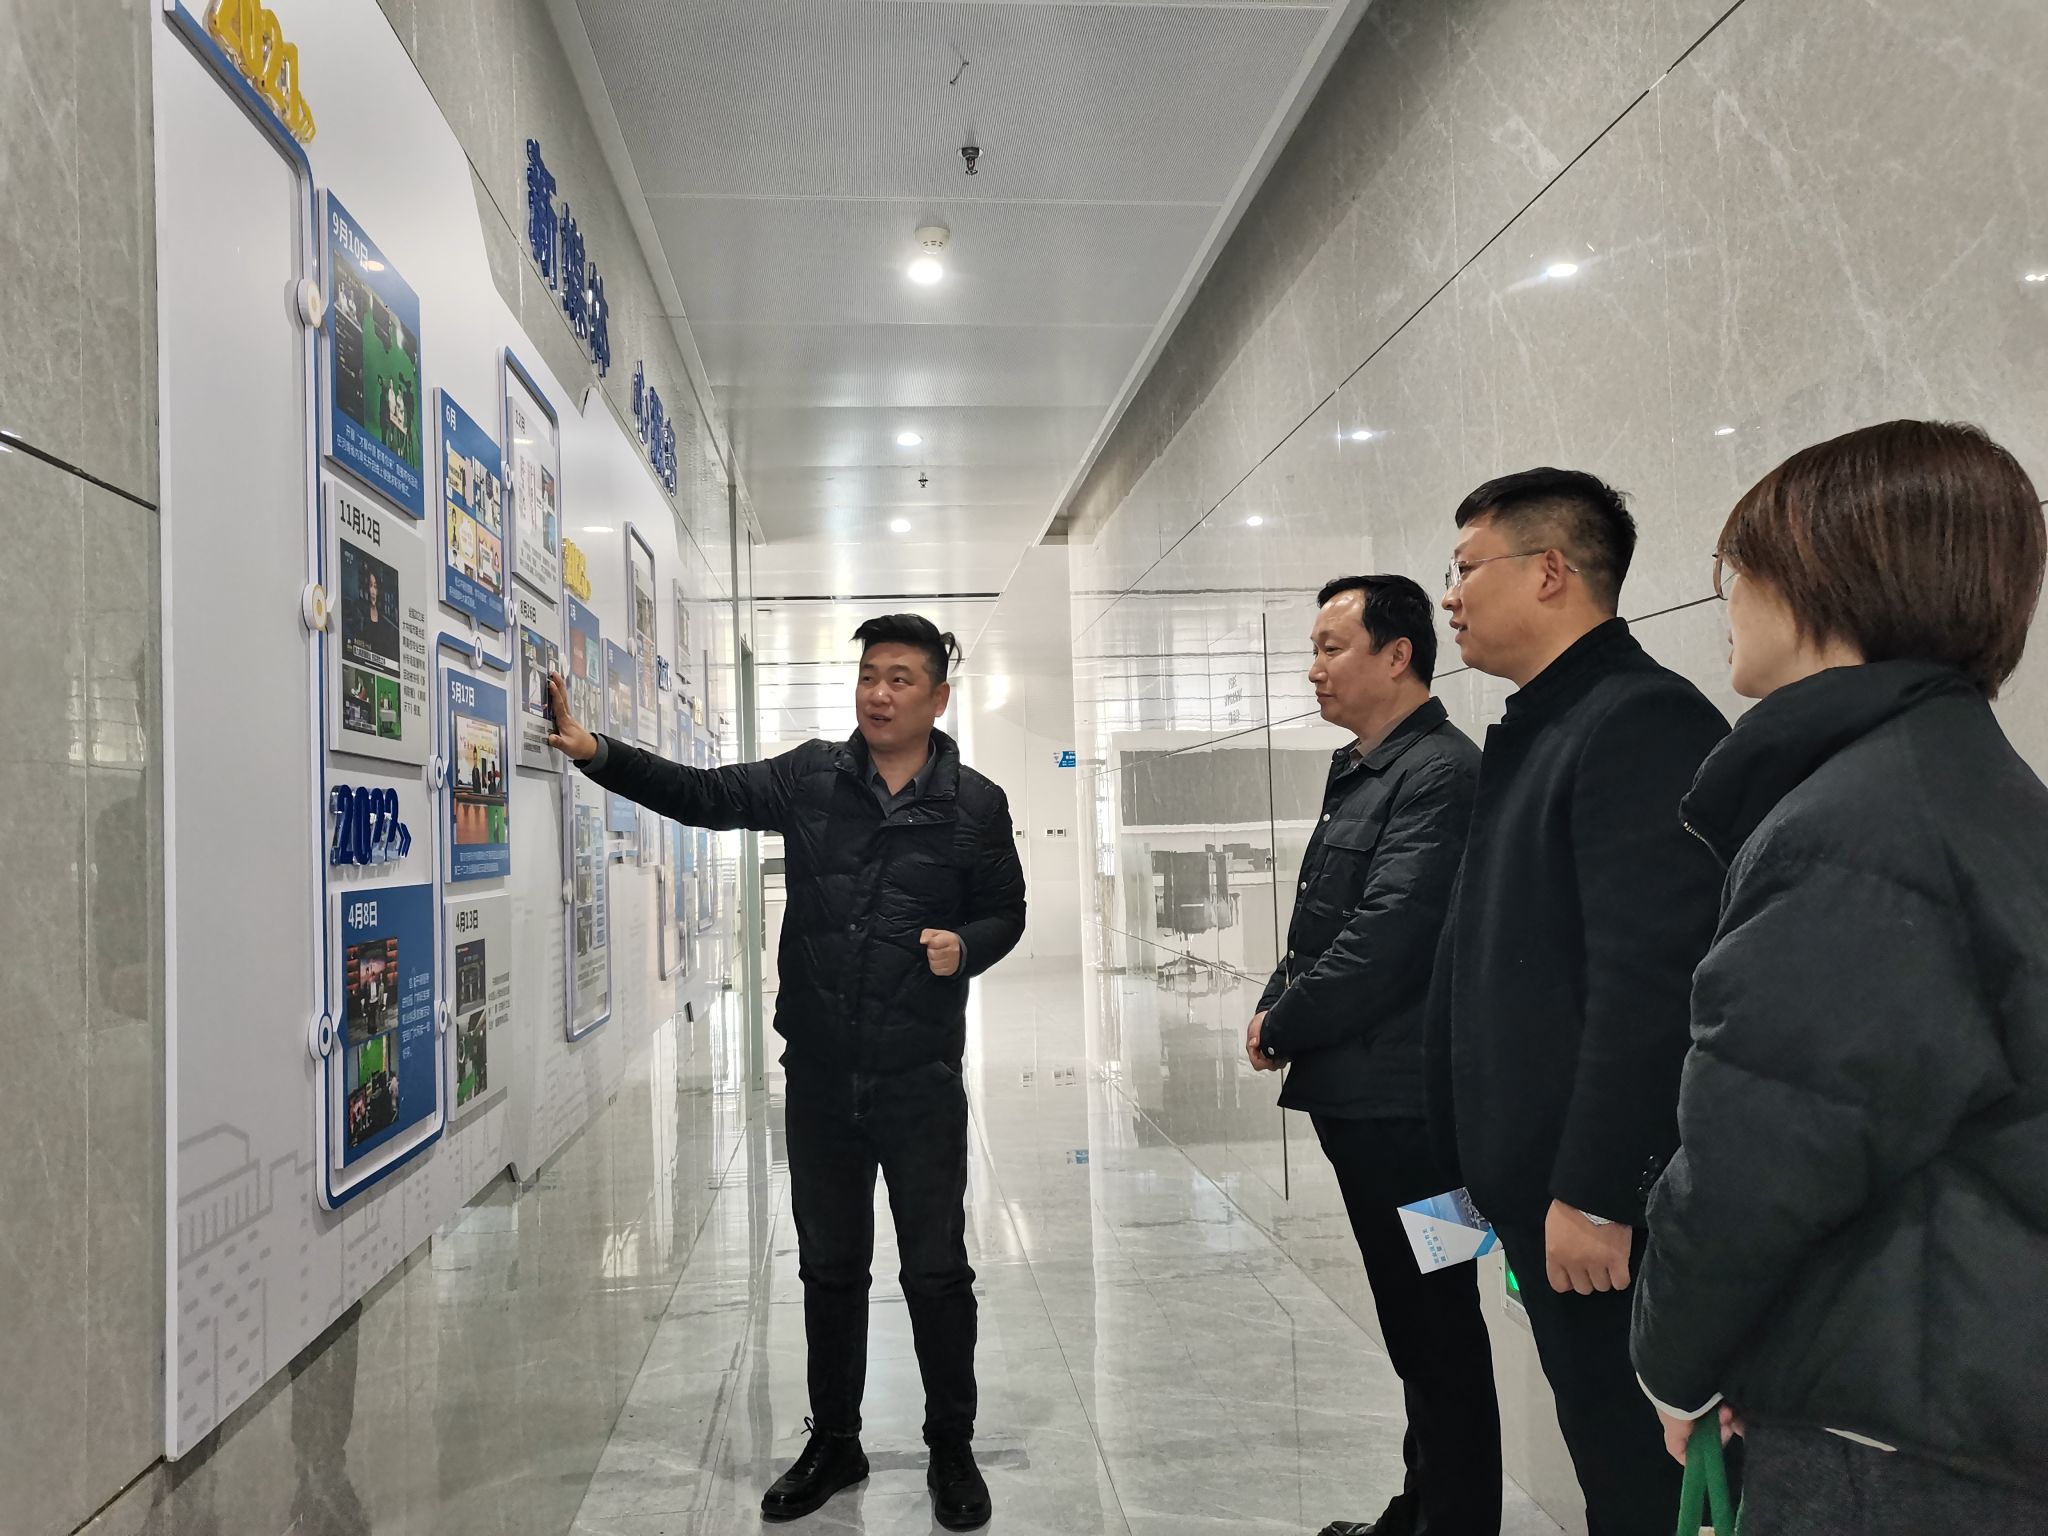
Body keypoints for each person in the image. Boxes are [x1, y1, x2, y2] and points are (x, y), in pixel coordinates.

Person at [1631, 420, 2048, 1534]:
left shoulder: (1858, 824)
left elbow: (1756, 1159)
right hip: (1961, 1396)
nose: (1726, 597)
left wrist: (1676, 1363)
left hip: (1894, 1441)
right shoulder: (1962, 787)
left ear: (1827, 577)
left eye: (1738, 565)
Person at [546, 613, 1026, 1531]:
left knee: (936, 1271)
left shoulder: (975, 804)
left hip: (919, 1075)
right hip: (821, 1075)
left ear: (937, 697)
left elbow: (1007, 910)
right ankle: (836, 1442)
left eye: (898, 679)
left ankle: (951, 1446)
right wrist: (595, 752)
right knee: (829, 1267)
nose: (878, 694)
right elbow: (704, 793)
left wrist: (965, 947)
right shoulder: (812, 777)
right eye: (868, 676)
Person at [1427, 468, 1728, 1535]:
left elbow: (1653, 981)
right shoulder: (1546, 723)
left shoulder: (1637, 719)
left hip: (1591, 1208)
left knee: (1634, 1474)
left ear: (1549, 570)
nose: (1450, 595)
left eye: (1466, 568)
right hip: (1529, 1186)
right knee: (1604, 1456)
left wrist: (1600, 1191)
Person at [1245, 575, 1500, 1536]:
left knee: (1438, 1323)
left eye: (1331, 648)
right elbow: (1323, 918)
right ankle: (1425, 1506)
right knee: (1418, 1321)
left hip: (1417, 1117)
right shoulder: (1366, 768)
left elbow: (1391, 935)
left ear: (1398, 656)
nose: (1314, 670)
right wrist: (1277, 999)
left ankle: (1454, 1521)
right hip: (1367, 1103)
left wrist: (1285, 1023)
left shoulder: (1440, 774)